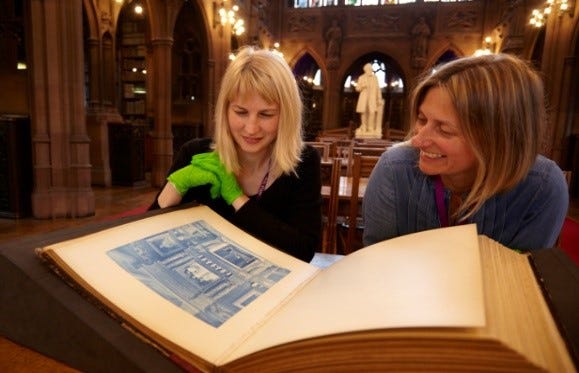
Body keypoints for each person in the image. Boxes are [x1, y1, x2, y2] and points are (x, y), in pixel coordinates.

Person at [363, 53, 568, 251]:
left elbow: (522, 277)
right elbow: (378, 265)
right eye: (422, 119)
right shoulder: (395, 169)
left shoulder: (542, 187)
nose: (416, 141)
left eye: (444, 130)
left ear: (498, 140)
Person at [151, 46, 322, 262]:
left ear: (286, 115)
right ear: (225, 110)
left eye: (266, 114)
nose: (251, 128)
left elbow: (303, 250)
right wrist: (175, 186)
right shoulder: (195, 153)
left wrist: (236, 197)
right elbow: (146, 234)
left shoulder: (304, 162)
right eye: (241, 112)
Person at [355, 63, 383, 136]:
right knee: (363, 112)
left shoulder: (375, 78)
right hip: (364, 98)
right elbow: (357, 88)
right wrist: (362, 86)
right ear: (365, 70)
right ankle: (364, 126)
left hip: (372, 98)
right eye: (368, 69)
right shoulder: (361, 77)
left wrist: (379, 98)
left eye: (371, 69)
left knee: (372, 112)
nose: (370, 70)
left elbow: (378, 89)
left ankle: (370, 127)